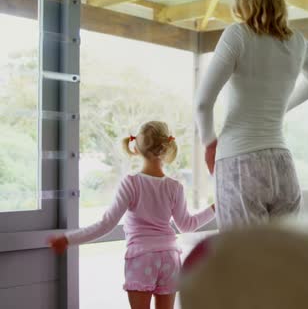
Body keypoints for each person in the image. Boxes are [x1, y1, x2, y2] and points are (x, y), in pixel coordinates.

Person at [196, 0, 308, 230]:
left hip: (238, 162)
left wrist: (209, 142)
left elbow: (203, 102)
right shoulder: (297, 40)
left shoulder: (237, 34)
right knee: (279, 261)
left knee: (244, 262)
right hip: (282, 165)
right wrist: (281, 107)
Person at [48, 121, 215, 309]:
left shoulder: (131, 183)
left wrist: (69, 239)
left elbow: (106, 224)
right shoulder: (174, 187)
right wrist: (214, 208)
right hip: (170, 256)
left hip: (142, 257)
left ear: (135, 148)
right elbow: (187, 225)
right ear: (166, 148)